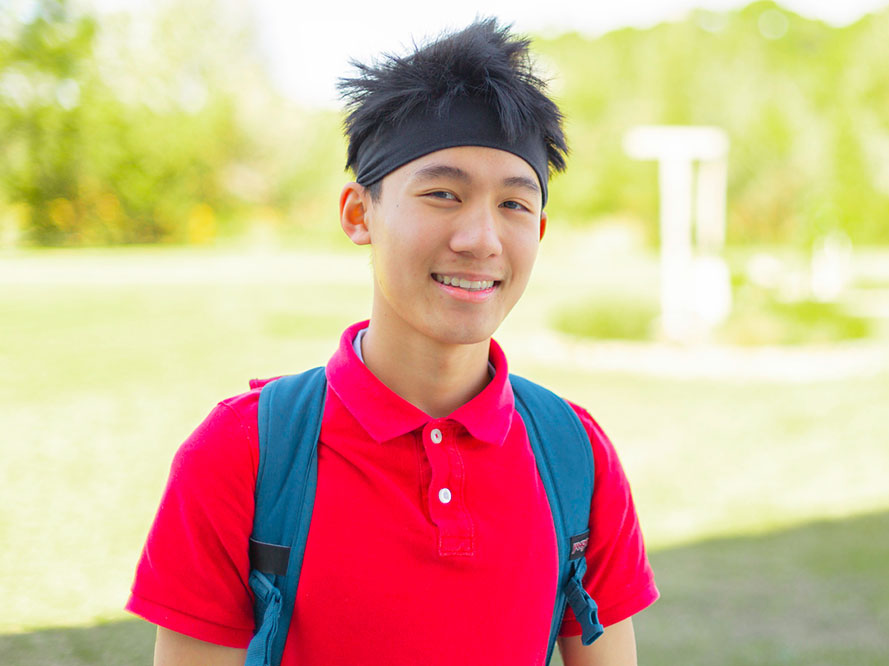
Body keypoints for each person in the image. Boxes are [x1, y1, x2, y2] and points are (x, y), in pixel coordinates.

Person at [127, 17, 658, 665]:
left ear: (540, 231)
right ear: (358, 213)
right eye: (442, 194)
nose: (481, 239)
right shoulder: (244, 453)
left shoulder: (576, 455)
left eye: (514, 205)